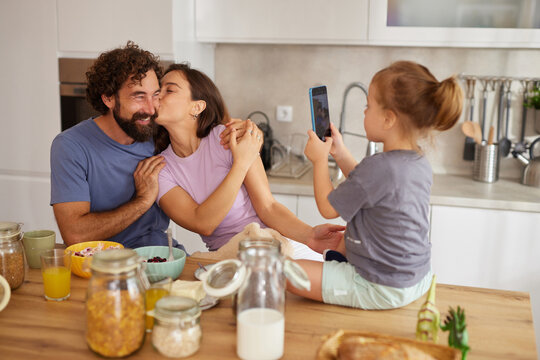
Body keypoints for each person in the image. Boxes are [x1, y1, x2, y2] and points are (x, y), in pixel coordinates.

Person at [292, 60, 463, 309]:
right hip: (416, 278)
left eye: (368, 105)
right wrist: (339, 153)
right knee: (348, 237)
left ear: (388, 119)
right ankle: (340, 264)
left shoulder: (380, 167)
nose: (364, 112)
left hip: (381, 287)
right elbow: (366, 184)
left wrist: (319, 160)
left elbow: (328, 209)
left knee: (286, 271)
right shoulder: (417, 162)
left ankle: (346, 276)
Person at [49, 42, 246, 249]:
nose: (152, 108)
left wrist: (245, 129)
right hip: (102, 263)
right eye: (139, 96)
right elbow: (75, 235)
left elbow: (205, 119)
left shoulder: (158, 132)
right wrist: (142, 201)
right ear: (108, 98)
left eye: (156, 94)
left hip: (161, 256)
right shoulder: (71, 146)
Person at [155, 63, 345, 258]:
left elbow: (268, 208)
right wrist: (241, 164)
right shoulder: (161, 169)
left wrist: (310, 235)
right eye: (157, 90)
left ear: (197, 106)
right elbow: (203, 224)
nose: (158, 95)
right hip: (228, 256)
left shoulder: (229, 137)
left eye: (169, 90)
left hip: (272, 242)